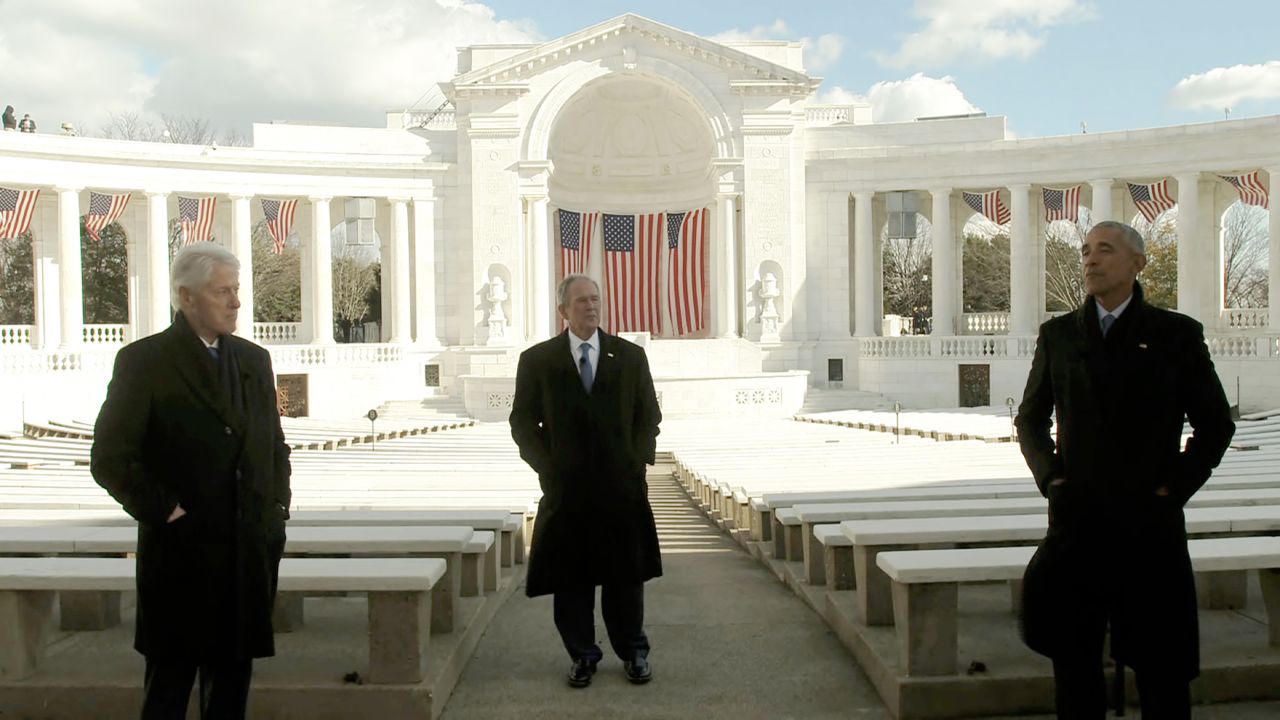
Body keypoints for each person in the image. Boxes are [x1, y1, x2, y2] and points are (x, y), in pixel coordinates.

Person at [1014, 220, 1235, 719]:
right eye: (1086, 251)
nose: (1090, 259)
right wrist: (1053, 480)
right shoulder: (1059, 336)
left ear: (1138, 263)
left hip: (1148, 526)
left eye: (1105, 250)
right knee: (1075, 668)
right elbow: (1029, 418)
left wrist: (1172, 489)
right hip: (1079, 525)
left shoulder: (1176, 335)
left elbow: (1215, 425)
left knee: (1163, 671)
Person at [91, 242, 291, 720]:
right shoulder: (145, 361)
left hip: (245, 554)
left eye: (237, 290)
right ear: (187, 296)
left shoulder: (253, 360)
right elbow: (110, 458)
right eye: (223, 291)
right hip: (182, 557)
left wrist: (276, 508)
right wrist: (166, 509)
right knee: (169, 691)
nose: (236, 302)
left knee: (229, 694)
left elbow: (273, 445)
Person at [510, 273, 663, 688]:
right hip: (568, 492)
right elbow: (523, 423)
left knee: (625, 580)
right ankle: (582, 655)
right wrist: (549, 468)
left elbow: (648, 416)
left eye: (595, 299)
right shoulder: (538, 361)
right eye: (581, 301)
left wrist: (636, 461)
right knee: (572, 582)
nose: (591, 307)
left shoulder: (630, 357)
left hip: (622, 491)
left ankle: (633, 652)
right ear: (563, 310)